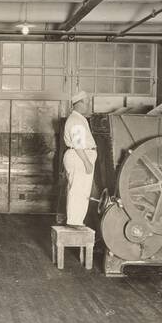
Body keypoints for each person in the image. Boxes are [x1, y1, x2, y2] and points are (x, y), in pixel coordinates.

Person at [63, 90, 98, 227]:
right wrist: (87, 162)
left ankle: (76, 221)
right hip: (79, 158)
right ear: (79, 104)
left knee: (80, 190)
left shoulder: (78, 119)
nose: (88, 105)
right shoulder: (76, 120)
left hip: (79, 157)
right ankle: (74, 222)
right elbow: (78, 145)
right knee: (78, 190)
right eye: (87, 103)